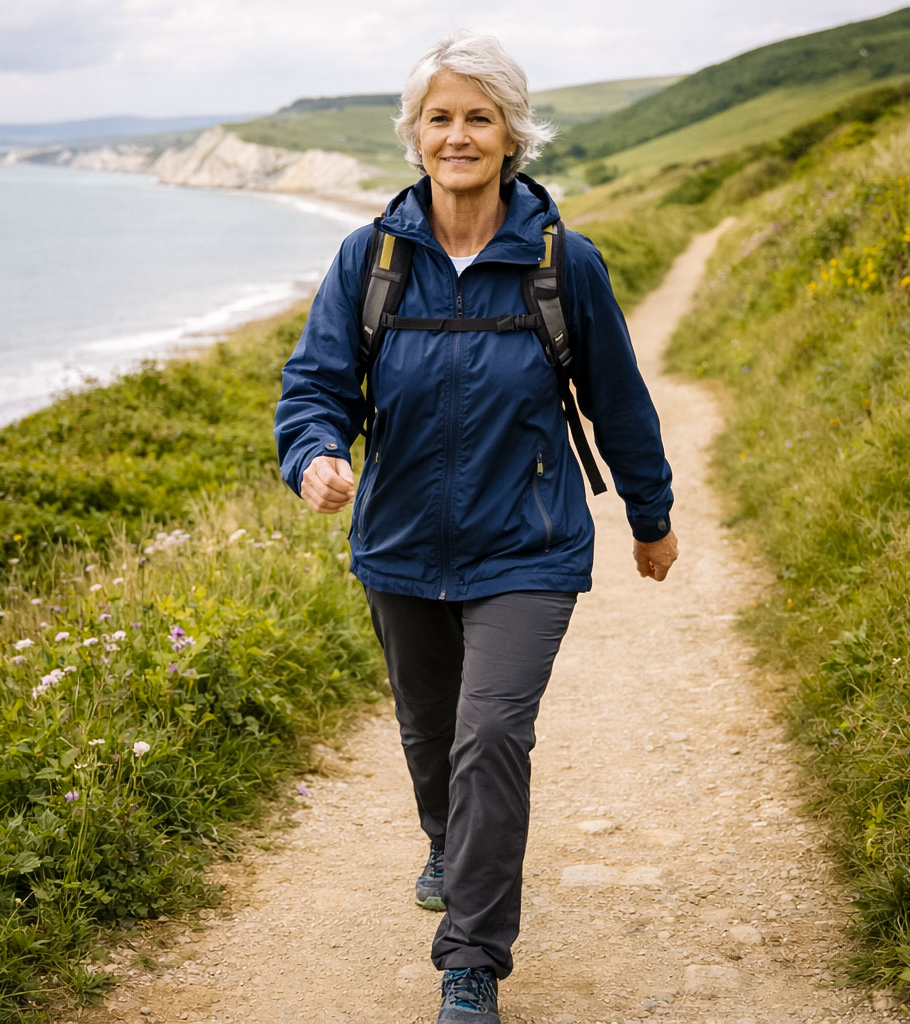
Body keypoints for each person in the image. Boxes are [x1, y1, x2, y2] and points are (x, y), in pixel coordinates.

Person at [274, 30, 678, 1024]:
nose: (457, 136)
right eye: (440, 118)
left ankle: (471, 962)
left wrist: (650, 515)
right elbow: (316, 385)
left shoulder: (562, 264)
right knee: (430, 729)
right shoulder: (370, 259)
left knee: (491, 732)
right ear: (415, 135)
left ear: (511, 135)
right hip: (399, 544)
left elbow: (619, 401)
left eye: (479, 117)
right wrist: (313, 454)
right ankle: (447, 841)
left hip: (527, 545)